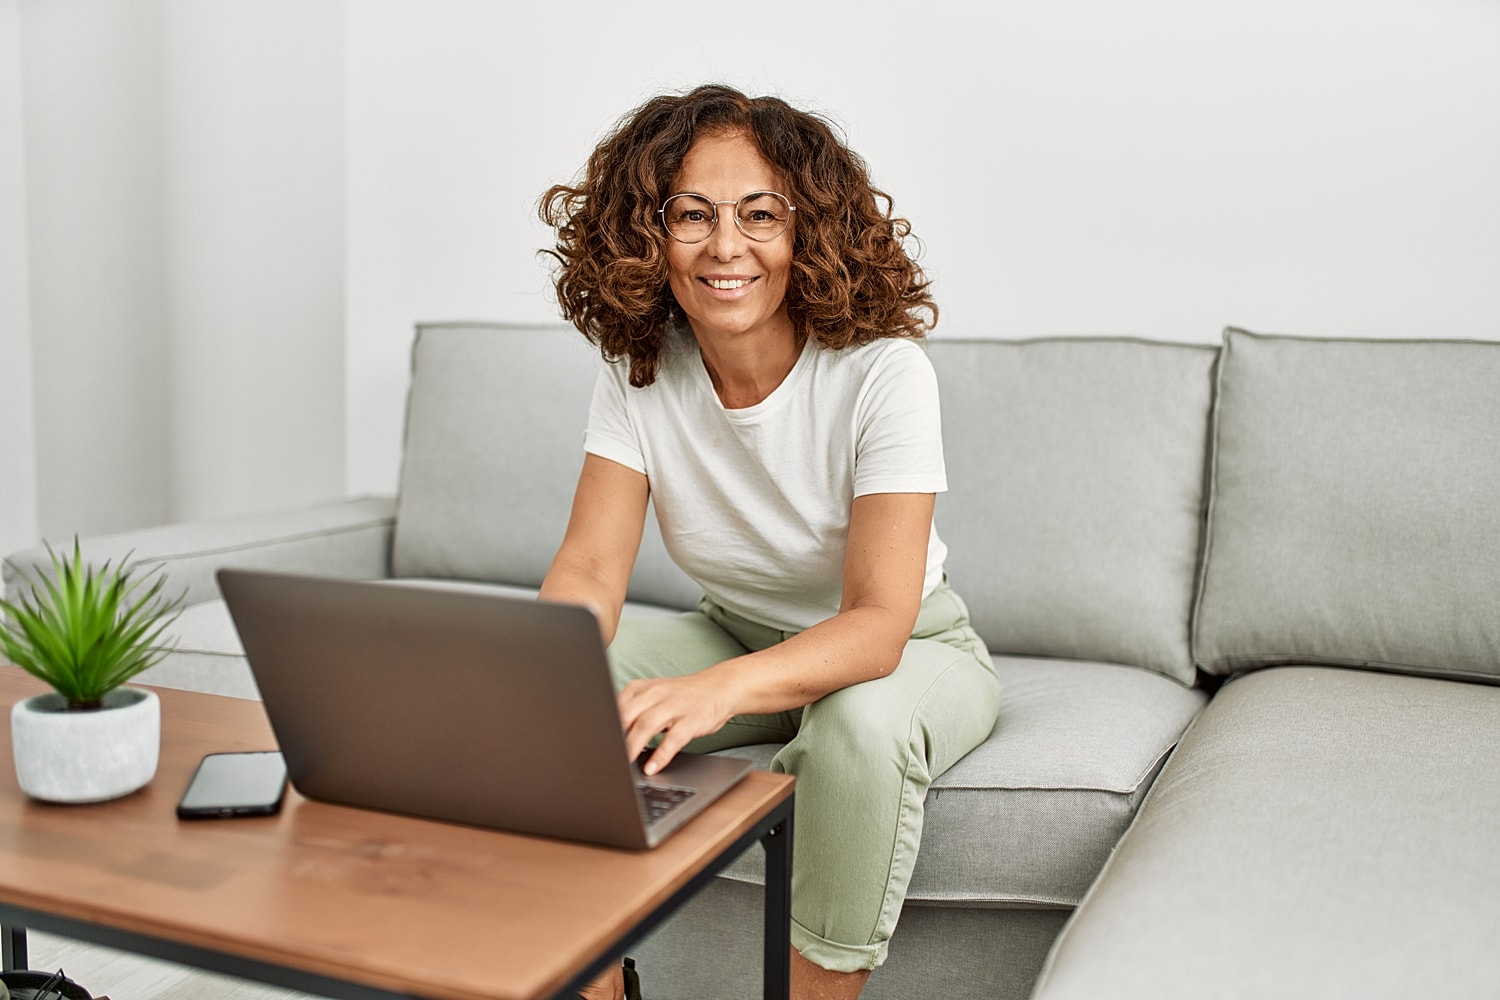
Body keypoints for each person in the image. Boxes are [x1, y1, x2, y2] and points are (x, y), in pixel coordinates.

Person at [537, 84, 1001, 1000]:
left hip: (908, 650)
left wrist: (718, 694)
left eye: (760, 215)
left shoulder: (883, 372)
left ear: (809, 232)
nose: (725, 246)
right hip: (739, 631)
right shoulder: (641, 371)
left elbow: (875, 627)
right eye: (692, 215)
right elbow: (590, 570)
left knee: (856, 732)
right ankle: (590, 984)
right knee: (544, 688)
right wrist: (537, 679)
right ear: (645, 232)